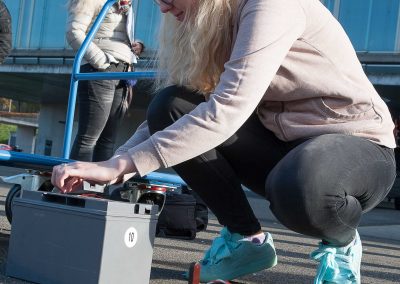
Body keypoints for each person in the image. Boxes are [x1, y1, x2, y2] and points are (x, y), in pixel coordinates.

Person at [52, 0, 396, 283]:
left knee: (303, 186)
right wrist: (116, 163)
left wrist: (122, 166)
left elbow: (227, 110)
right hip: (285, 148)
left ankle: (342, 241)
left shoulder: (270, 7)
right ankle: (247, 240)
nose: (163, 7)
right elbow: (186, 113)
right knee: (171, 104)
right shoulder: (218, 24)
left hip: (357, 147)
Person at [67, 0, 138, 162]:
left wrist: (134, 46)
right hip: (99, 69)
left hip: (123, 70)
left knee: (108, 141)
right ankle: (77, 186)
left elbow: (113, 34)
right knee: (89, 138)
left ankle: (99, 186)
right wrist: (101, 61)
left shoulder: (126, 4)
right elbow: (73, 31)